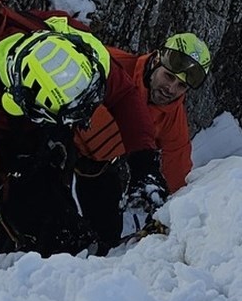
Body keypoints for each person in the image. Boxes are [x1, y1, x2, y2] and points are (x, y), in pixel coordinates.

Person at [0, 16, 167, 272]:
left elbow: (123, 94)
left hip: (42, 130)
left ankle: (69, 246)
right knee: (24, 200)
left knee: (55, 189)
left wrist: (145, 165)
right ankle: (22, 262)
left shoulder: (78, 44)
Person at [74, 32, 212, 253]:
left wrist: (168, 216)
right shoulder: (113, 64)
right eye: (168, 77)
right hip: (55, 141)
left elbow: (176, 170)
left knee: (106, 236)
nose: (171, 89)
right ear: (156, 60)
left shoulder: (172, 117)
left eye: (181, 86)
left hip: (96, 165)